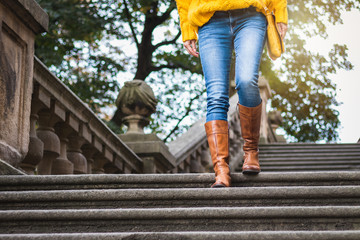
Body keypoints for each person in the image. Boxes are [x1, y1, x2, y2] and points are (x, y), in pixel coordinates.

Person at [176, 0, 288, 187]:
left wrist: (280, 12)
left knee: (245, 80)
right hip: (208, 19)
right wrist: (187, 28)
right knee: (216, 96)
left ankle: (251, 151)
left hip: (251, 14)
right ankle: (221, 170)